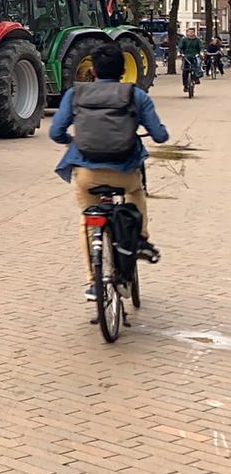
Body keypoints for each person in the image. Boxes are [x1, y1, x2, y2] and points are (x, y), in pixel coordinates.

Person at [49, 43, 168, 301]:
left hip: (87, 174)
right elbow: (159, 136)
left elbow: (55, 132)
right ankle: (140, 240)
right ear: (124, 70)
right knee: (137, 192)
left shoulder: (75, 94)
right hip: (124, 172)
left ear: (92, 70)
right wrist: (158, 130)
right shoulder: (136, 96)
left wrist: (71, 140)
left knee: (88, 219)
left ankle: (94, 281)